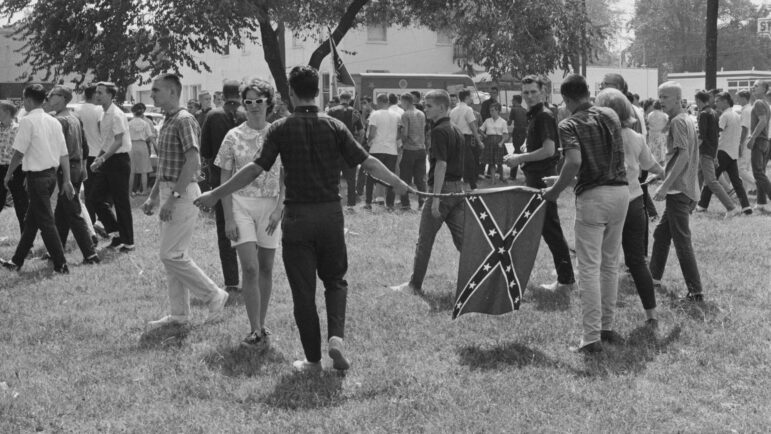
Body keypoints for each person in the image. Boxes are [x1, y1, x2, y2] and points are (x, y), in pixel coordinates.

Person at [195, 65, 412, 372]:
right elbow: (368, 162)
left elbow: (255, 169)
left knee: (303, 290)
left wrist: (216, 193)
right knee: (335, 281)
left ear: (291, 93)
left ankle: (313, 359)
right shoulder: (335, 125)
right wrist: (399, 183)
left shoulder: (280, 128)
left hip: (298, 218)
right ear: (315, 92)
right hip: (330, 216)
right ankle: (336, 337)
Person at [543, 74, 629, 354]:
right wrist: (561, 181)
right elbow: (600, 160)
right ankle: (607, 326)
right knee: (610, 264)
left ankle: (591, 337)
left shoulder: (568, 123)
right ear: (588, 93)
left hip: (593, 198)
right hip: (620, 193)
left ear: (567, 100)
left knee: (589, 268)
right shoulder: (610, 115)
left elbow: (576, 161)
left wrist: (556, 190)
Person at [142, 73, 230, 329]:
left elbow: (192, 161)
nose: (152, 94)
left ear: (172, 91)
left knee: (170, 255)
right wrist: (153, 197)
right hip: (171, 190)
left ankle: (213, 295)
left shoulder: (184, 120)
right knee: (174, 256)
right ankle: (179, 314)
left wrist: (172, 198)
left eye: (156, 90)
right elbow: (167, 166)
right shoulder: (168, 121)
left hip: (182, 193)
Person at [215, 79, 283, 348]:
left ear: (269, 102)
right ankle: (254, 328)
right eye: (248, 102)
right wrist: (229, 217)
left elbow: (285, 174)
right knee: (251, 268)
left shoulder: (278, 133)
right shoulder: (233, 136)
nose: (253, 106)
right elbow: (225, 178)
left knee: (266, 268)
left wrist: (280, 208)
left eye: (259, 101)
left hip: (270, 206)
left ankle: (261, 325)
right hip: (241, 205)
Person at [596, 88, 664, 327]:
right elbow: (650, 163)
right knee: (636, 261)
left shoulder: (598, 137)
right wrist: (664, 173)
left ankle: (604, 322)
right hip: (634, 201)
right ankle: (651, 314)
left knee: (606, 263)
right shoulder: (635, 137)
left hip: (607, 202)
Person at [504, 75, 576, 292]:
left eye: (533, 92)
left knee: (550, 229)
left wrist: (519, 158)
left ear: (544, 93)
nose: (529, 96)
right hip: (537, 176)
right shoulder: (537, 115)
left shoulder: (543, 116)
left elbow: (549, 150)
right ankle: (564, 275)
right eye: (525, 92)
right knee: (545, 227)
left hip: (542, 178)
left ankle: (566, 280)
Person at [392, 90, 465, 295]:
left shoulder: (439, 131)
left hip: (441, 193)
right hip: (458, 191)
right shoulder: (456, 130)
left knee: (424, 241)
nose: (426, 108)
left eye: (429, 105)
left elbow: (441, 164)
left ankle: (414, 285)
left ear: (442, 107)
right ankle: (482, 277)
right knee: (464, 242)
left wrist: (434, 201)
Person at [0, 84, 72, 274]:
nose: (23, 103)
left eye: (24, 99)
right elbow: (64, 153)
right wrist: (67, 180)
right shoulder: (53, 121)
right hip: (50, 176)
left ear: (29, 100)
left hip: (37, 178)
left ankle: (61, 264)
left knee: (46, 222)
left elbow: (18, 152)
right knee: (31, 221)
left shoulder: (27, 121)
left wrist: (8, 174)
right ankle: (16, 261)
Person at [649, 81, 704, 303]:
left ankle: (696, 291)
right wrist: (661, 173)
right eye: (660, 96)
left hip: (678, 190)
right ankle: (653, 278)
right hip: (683, 187)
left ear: (678, 99)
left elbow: (683, 156)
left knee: (682, 241)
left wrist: (665, 185)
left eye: (666, 97)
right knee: (661, 235)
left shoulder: (677, 122)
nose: (661, 101)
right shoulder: (685, 120)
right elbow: (680, 156)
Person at [200, 80, 246, 292]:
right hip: (246, 178)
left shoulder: (213, 116)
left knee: (224, 229)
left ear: (224, 94)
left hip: (221, 180)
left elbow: (206, 151)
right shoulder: (247, 114)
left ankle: (231, 280)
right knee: (248, 226)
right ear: (239, 93)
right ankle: (251, 274)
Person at [47, 85, 100, 264]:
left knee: (74, 214)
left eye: (52, 94)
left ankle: (90, 254)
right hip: (77, 169)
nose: (49, 97)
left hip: (66, 171)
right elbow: (84, 147)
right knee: (61, 213)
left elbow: (57, 152)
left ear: (62, 98)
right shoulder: (74, 118)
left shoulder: (59, 121)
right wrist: (83, 167)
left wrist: (59, 176)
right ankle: (57, 250)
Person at [88, 81, 135, 251]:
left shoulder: (116, 114)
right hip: (108, 160)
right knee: (95, 198)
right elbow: (106, 141)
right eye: (96, 92)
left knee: (121, 202)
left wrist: (102, 159)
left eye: (101, 92)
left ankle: (128, 242)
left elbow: (118, 141)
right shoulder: (103, 113)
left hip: (119, 160)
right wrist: (98, 158)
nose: (97, 95)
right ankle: (116, 233)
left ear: (110, 95)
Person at [697, 92, 752, 215]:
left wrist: (714, 153)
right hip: (732, 153)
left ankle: (702, 205)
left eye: (718, 101)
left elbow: (716, 135)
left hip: (722, 151)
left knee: (711, 180)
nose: (715, 103)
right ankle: (746, 207)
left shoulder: (724, 116)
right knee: (736, 182)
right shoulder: (736, 115)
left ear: (726, 101)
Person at [693, 91, 738, 216]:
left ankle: (731, 207)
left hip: (705, 152)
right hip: (711, 151)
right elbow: (716, 136)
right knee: (698, 178)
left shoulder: (703, 114)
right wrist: (715, 154)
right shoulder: (714, 113)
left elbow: (701, 136)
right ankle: (691, 206)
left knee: (712, 181)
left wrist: (693, 150)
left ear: (698, 100)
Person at [327, 92, 364, 211]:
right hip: (349, 147)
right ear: (350, 100)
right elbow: (362, 131)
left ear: (340, 98)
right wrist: (357, 142)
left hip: (335, 148)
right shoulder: (355, 111)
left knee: (334, 177)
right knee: (351, 178)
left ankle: (334, 202)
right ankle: (351, 205)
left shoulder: (332, 111)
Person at [365, 93, 401, 210]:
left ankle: (368, 202)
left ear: (379, 101)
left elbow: (372, 132)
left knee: (371, 176)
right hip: (391, 150)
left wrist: (368, 142)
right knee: (390, 176)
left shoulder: (375, 114)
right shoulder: (396, 115)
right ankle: (390, 204)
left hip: (377, 148)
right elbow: (399, 133)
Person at [74, 84, 104, 226]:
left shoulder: (77, 109)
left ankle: (91, 220)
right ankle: (100, 220)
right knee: (100, 189)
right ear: (93, 95)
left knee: (88, 189)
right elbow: (101, 129)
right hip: (98, 153)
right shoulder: (98, 109)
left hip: (83, 154)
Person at [0, 100, 28, 233]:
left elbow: (22, 152)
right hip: (0, 168)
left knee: (20, 203)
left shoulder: (18, 129)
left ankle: (26, 238)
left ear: (7, 112)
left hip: (16, 169)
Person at [745, 81, 771, 214]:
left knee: (758, 174)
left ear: (764, 89)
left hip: (759, 140)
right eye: (753, 86)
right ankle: (761, 203)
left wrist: (752, 138)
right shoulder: (766, 103)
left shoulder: (759, 103)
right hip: (765, 141)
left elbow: (762, 121)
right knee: (761, 174)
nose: (753, 87)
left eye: (757, 86)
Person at [398, 92, 427, 210]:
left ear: (405, 102)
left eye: (401, 102)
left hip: (409, 149)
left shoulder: (405, 115)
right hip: (421, 148)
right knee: (420, 178)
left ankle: (405, 203)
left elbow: (405, 133)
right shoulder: (421, 113)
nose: (401, 104)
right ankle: (422, 200)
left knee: (405, 177)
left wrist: (402, 142)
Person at [450, 89, 482, 189]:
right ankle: (473, 186)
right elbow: (473, 127)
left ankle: (458, 184)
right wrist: (479, 141)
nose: (472, 98)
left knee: (458, 162)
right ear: (467, 97)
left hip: (455, 137)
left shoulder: (453, 110)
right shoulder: (468, 109)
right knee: (470, 162)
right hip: (465, 138)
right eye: (471, 96)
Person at [128, 103, 156, 196]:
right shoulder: (145, 123)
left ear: (133, 113)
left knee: (131, 171)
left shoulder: (129, 123)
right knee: (144, 170)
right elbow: (151, 136)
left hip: (131, 146)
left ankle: (130, 191)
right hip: (142, 145)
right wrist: (156, 147)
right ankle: (144, 190)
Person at [735, 90, 757, 195]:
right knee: (746, 168)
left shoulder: (746, 110)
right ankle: (744, 191)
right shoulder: (749, 109)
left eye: (738, 97)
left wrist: (740, 143)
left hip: (745, 140)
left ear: (744, 98)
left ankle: (759, 185)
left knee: (741, 169)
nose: (736, 100)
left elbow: (744, 128)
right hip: (749, 140)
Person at [480, 102, 508, 182]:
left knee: (499, 162)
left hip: (499, 142)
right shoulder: (487, 120)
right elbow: (480, 129)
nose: (491, 112)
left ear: (498, 111)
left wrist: (501, 143)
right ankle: (493, 180)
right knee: (491, 162)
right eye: (490, 110)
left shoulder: (503, 121)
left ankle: (501, 177)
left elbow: (505, 134)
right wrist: (484, 135)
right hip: (489, 142)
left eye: (493, 110)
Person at [507, 95, 528, 181]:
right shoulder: (525, 110)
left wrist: (507, 118)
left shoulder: (514, 109)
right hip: (523, 133)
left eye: (512, 100)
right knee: (519, 151)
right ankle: (525, 173)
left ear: (515, 101)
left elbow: (509, 123)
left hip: (517, 132)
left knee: (517, 152)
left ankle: (514, 174)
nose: (512, 101)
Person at [646, 100, 668, 165]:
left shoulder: (650, 115)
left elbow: (648, 124)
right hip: (661, 135)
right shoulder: (664, 115)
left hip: (652, 136)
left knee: (653, 155)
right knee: (661, 155)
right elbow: (668, 124)